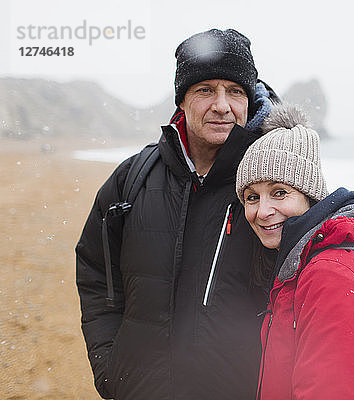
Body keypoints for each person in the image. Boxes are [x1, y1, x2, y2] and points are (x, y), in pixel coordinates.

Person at [75, 29, 278, 400]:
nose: (222, 105)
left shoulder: (273, 187)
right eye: (205, 90)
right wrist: (110, 365)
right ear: (181, 101)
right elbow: (95, 272)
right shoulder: (131, 179)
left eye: (235, 91)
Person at [235, 103, 354, 399]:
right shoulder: (304, 265)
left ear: (310, 196)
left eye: (279, 192)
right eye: (251, 197)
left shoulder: (332, 275)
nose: (262, 211)